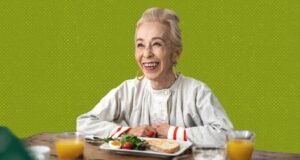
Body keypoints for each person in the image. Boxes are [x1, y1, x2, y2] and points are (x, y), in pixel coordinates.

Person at [77, 7, 233, 146]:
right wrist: (128, 132)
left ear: (176, 53)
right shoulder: (127, 90)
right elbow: (84, 123)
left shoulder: (197, 92)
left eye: (157, 44)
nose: (147, 53)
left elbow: (227, 135)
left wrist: (174, 133)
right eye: (140, 45)